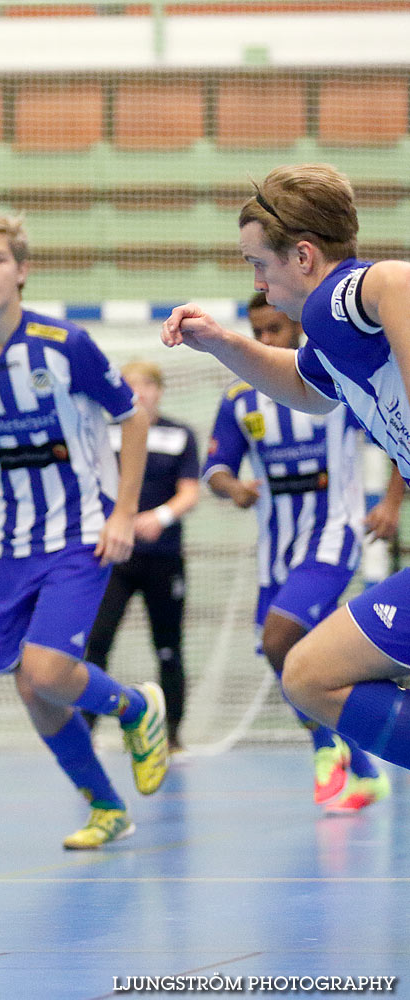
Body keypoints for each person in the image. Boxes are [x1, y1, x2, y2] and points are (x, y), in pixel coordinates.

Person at [0, 212, 170, 851]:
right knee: (32, 690)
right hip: (10, 545)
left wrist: (123, 514)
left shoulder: (65, 344)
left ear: (21, 272)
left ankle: (138, 709)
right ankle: (107, 808)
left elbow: (131, 418)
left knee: (50, 670)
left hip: (80, 534)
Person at [161, 162, 410, 793]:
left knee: (308, 673)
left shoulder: (338, 298)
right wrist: (220, 343)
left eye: (259, 264)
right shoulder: (332, 338)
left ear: (303, 256)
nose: (258, 282)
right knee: (306, 673)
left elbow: (396, 280)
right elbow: (305, 386)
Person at [201, 291, 387, 811]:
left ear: (296, 330)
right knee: (294, 659)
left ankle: (326, 749)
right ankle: (366, 770)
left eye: (274, 331)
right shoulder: (240, 399)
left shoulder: (331, 381)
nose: (264, 341)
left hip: (334, 535)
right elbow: (215, 467)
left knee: (281, 637)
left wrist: (391, 504)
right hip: (276, 550)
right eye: (257, 332)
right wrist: (231, 488)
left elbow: (394, 435)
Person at [84, 360, 200, 752]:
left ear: (160, 390)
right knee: (96, 642)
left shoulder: (179, 435)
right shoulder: (104, 434)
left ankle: (173, 735)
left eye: (147, 384)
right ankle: (85, 729)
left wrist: (160, 517)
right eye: (130, 385)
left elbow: (189, 491)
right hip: (113, 557)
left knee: (168, 646)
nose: (139, 392)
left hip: (163, 557)